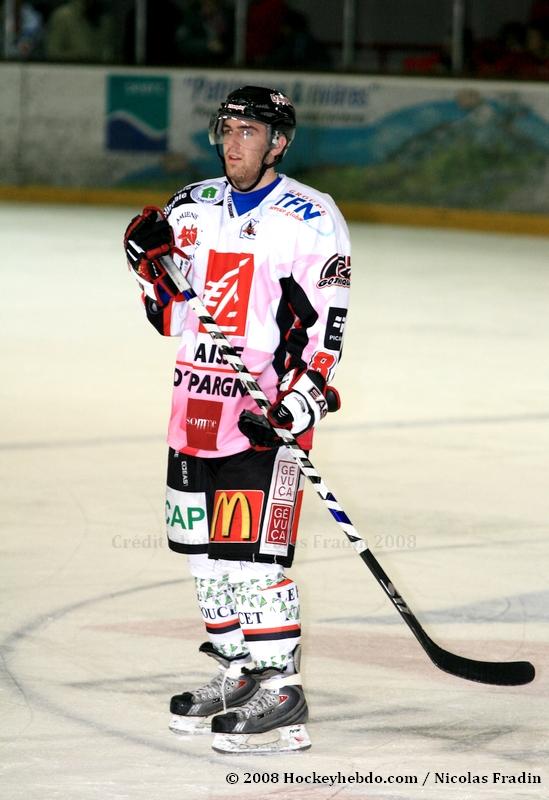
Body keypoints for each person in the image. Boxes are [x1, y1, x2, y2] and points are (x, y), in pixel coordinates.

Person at [123, 86, 351, 754]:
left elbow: (328, 327)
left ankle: (281, 689)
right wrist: (147, 268)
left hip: (263, 420)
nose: (233, 143)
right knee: (202, 559)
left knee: (251, 563)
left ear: (278, 143)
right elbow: (172, 317)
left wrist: (298, 403)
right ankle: (237, 671)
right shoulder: (190, 207)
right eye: (227, 129)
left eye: (249, 132)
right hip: (194, 409)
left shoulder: (311, 217)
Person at [45, 0, 115, 63]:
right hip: (69, 69)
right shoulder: (63, 16)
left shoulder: (103, 18)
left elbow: (106, 50)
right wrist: (80, 57)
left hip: (98, 69)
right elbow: (52, 52)